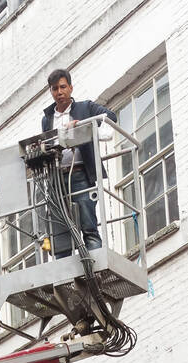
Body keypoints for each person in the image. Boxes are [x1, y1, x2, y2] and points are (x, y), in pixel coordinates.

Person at [42, 68, 116, 258]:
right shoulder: (47, 119)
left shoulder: (85, 107)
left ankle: (96, 264)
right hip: (57, 178)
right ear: (51, 92)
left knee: (87, 223)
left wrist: (82, 125)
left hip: (80, 174)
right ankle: (63, 270)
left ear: (71, 88)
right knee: (61, 230)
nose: (59, 92)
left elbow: (110, 117)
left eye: (63, 87)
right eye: (55, 89)